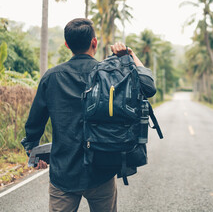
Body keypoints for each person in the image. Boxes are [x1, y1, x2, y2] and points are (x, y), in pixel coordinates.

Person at [21, 18, 156, 212]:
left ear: (67, 45)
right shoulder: (110, 75)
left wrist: (33, 151)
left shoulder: (52, 77)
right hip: (101, 169)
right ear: (94, 42)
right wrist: (129, 55)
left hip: (63, 173)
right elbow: (148, 87)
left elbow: (34, 123)